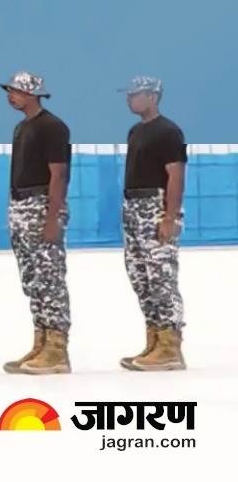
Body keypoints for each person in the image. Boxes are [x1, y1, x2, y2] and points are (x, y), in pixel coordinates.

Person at [0, 71, 72, 375]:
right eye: (9, 91)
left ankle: (56, 348)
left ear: (32, 94)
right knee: (32, 279)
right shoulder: (22, 127)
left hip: (41, 205)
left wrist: (52, 218)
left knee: (49, 278)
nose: (10, 96)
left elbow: (59, 174)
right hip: (21, 207)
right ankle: (41, 341)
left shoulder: (52, 127)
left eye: (16, 91)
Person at [117, 76, 188, 371]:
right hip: (133, 207)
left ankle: (170, 346)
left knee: (161, 276)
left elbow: (176, 175)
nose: (129, 99)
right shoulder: (135, 131)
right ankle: (154, 340)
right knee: (140, 276)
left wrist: (169, 217)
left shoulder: (168, 131)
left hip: (155, 206)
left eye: (135, 94)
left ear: (153, 97)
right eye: (128, 94)